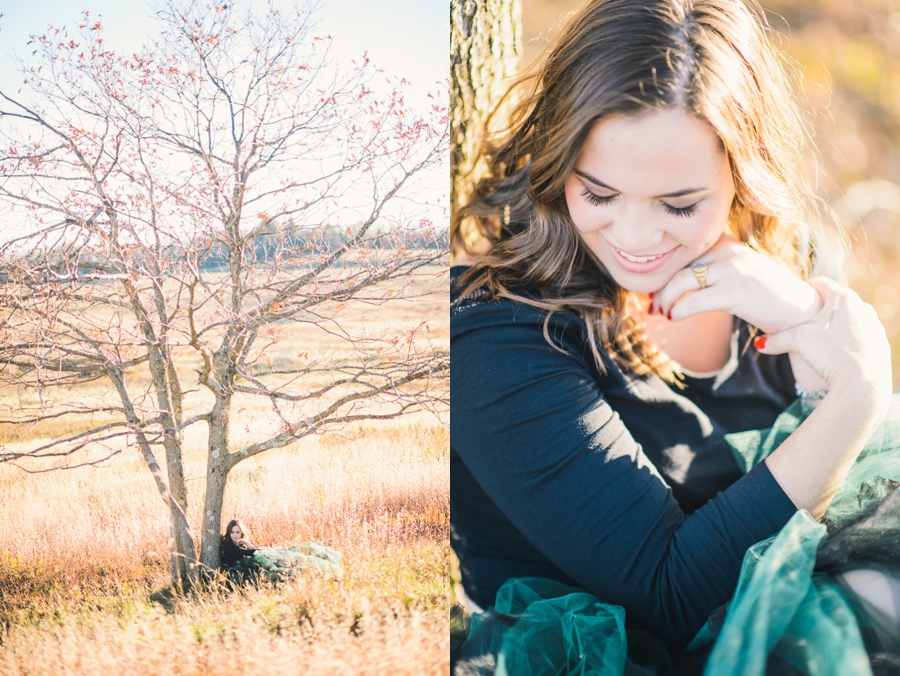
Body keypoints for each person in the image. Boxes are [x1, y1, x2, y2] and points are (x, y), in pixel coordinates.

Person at [450, 0, 899, 671]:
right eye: (599, 194)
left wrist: (802, 318)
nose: (634, 240)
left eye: (680, 204)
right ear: (558, 161)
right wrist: (855, 395)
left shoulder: (788, 267)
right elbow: (670, 592)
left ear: (742, 175)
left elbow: (872, 506)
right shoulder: (495, 332)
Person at [218, 518, 343, 585]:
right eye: (232, 532)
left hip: (245, 566)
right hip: (238, 571)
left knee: (285, 557)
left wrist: (246, 543)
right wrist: (247, 544)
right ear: (229, 532)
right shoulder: (229, 545)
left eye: (237, 532)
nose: (235, 535)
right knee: (274, 568)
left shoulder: (237, 543)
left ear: (241, 532)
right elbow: (249, 553)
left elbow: (250, 551)